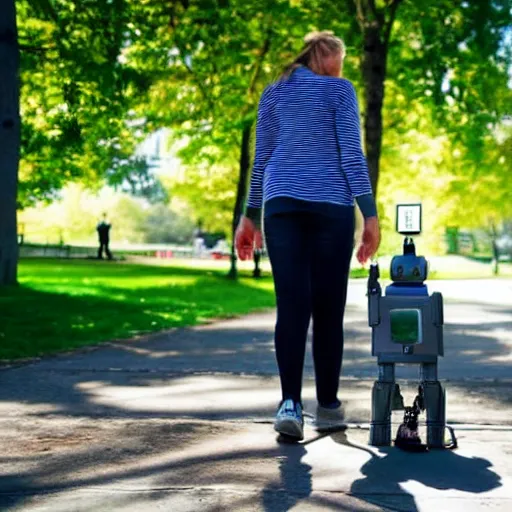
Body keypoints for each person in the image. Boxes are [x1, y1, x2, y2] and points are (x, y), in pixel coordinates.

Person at [235, 31, 380, 441]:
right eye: (341, 61)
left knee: (293, 304)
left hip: (281, 206)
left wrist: (250, 217)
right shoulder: (340, 90)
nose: (341, 70)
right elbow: (352, 154)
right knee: (328, 308)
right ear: (328, 56)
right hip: (331, 207)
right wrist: (369, 215)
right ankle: (328, 406)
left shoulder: (273, 91)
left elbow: (261, 159)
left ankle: (290, 405)